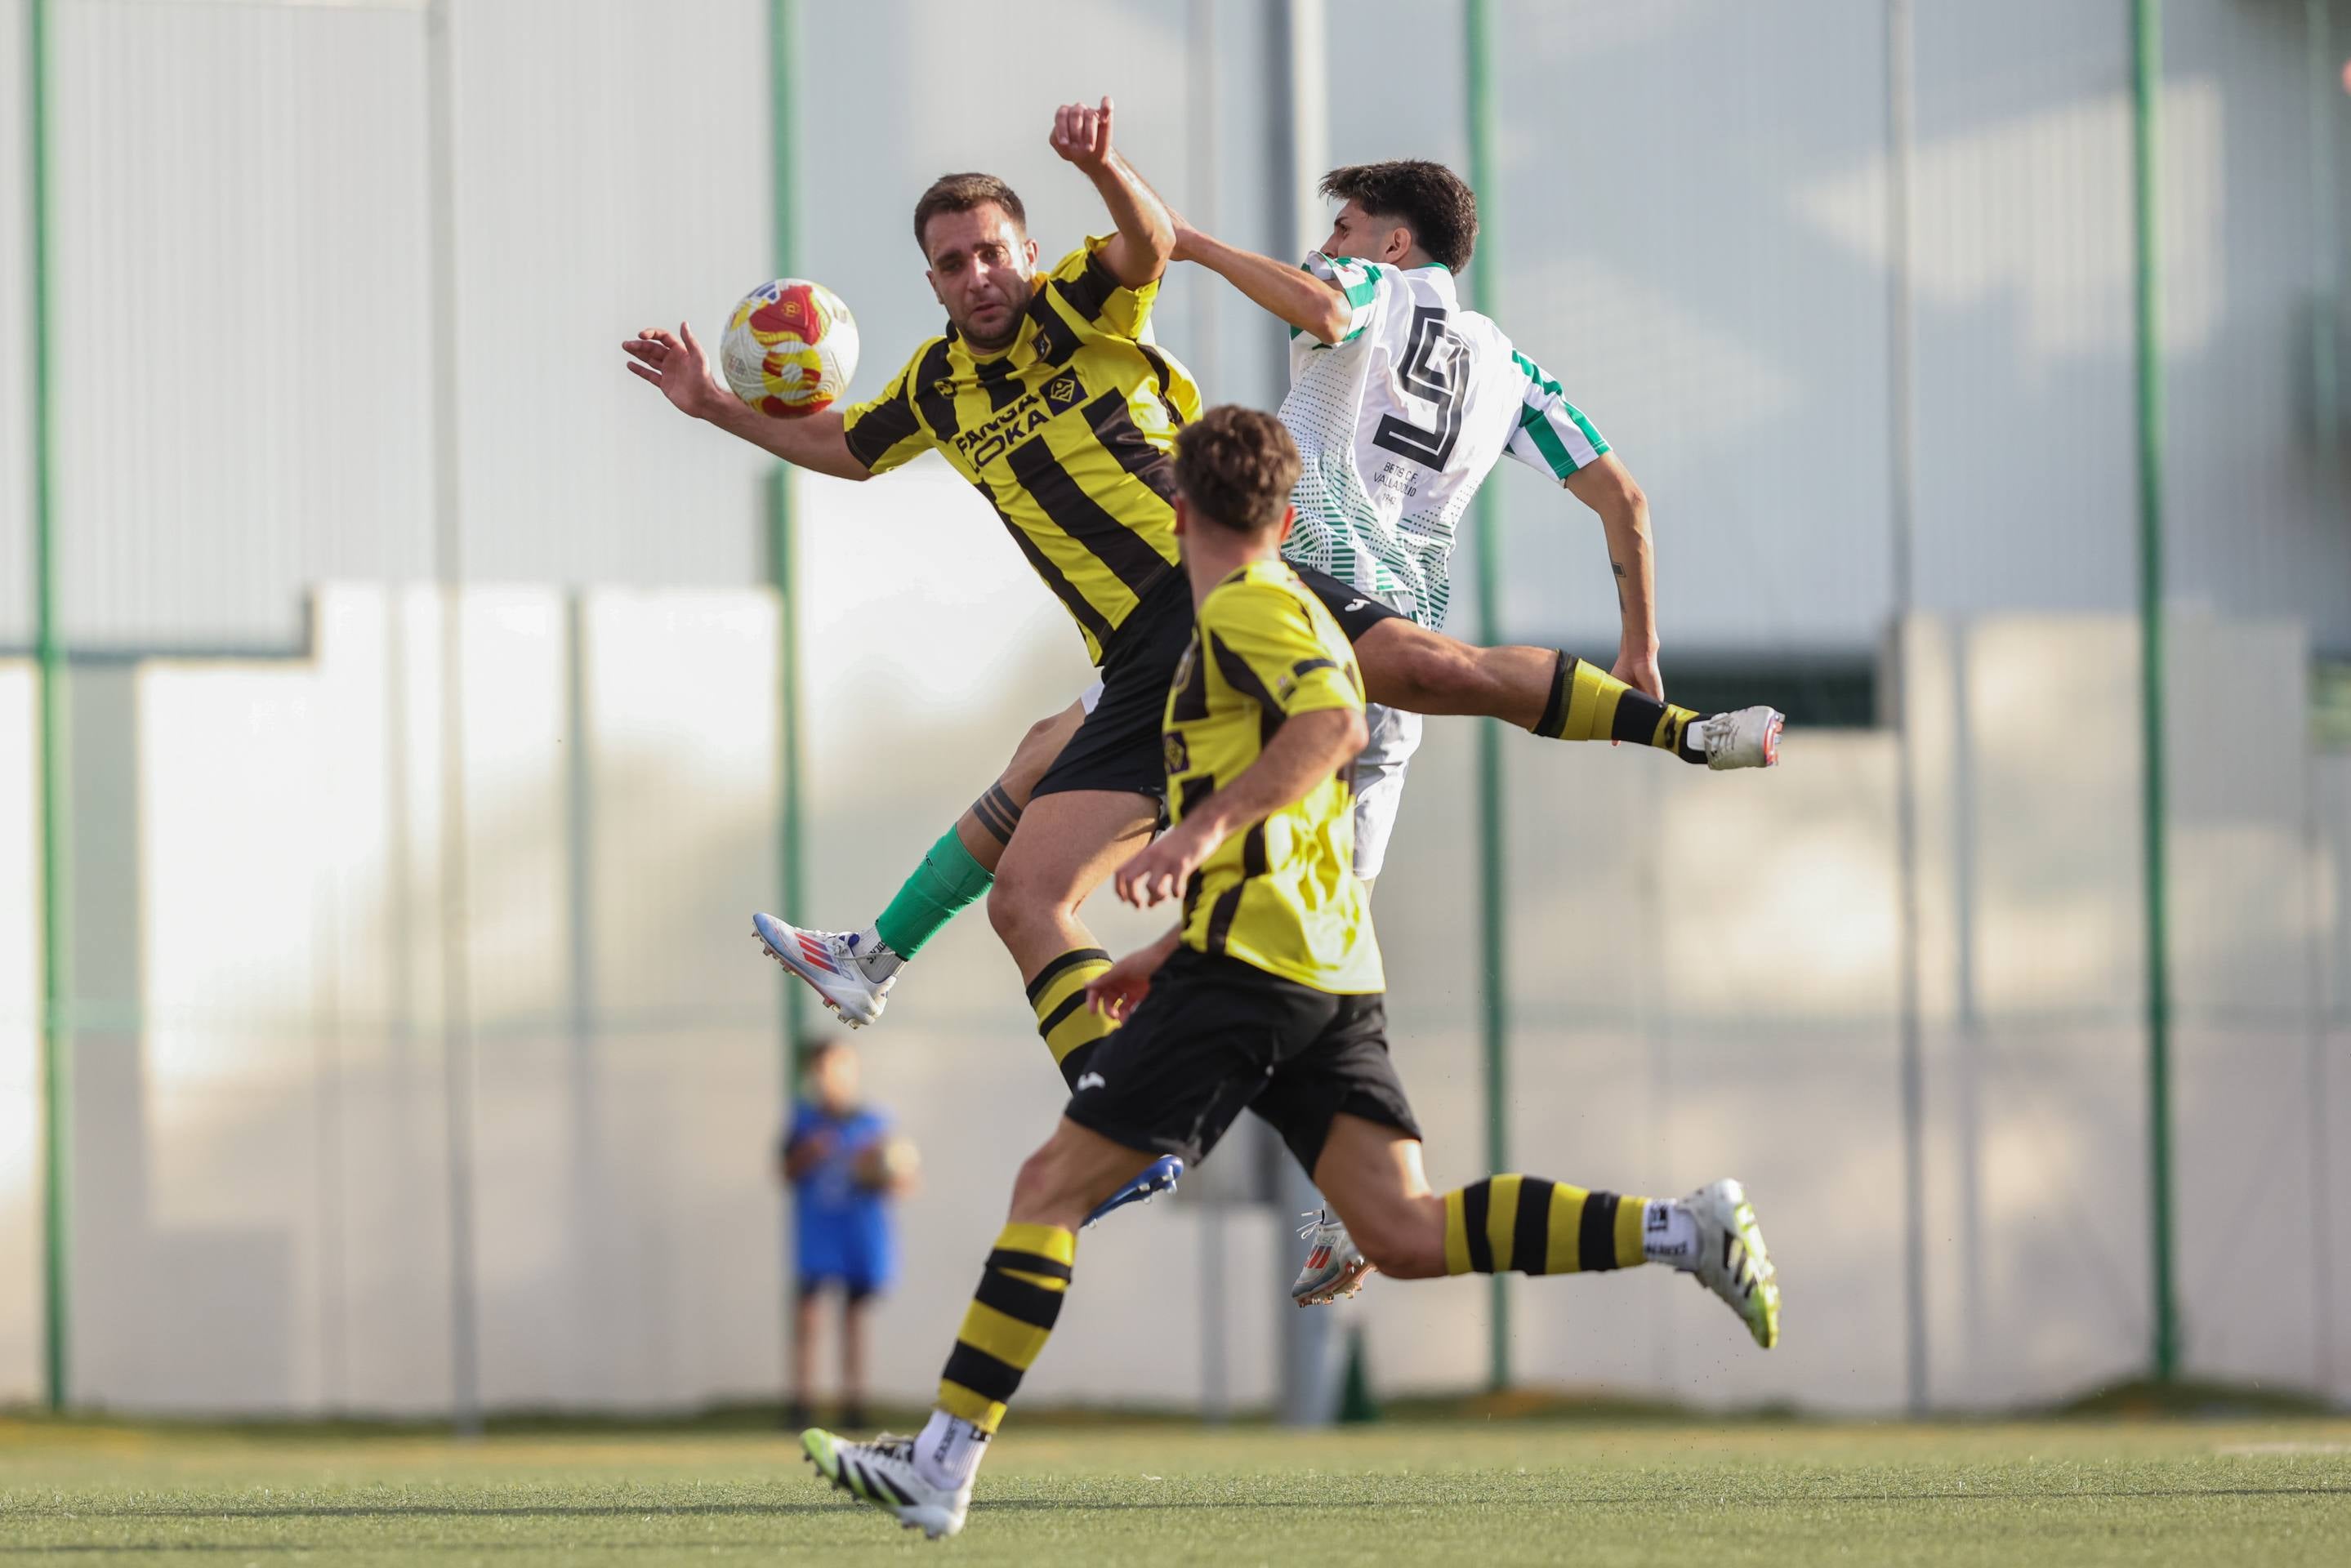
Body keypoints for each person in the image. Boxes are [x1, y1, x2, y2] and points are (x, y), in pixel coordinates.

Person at [622, 98, 1770, 1095]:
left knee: (1434, 673)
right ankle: (1111, 1100)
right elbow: (848, 447)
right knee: (1026, 893)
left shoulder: (1079, 301)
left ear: (1025, 251)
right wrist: (714, 406)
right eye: (952, 262)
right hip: (1138, 657)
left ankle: (1686, 732)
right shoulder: (932, 385)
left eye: (990, 252)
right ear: (928, 280)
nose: (977, 275)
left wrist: (1100, 170)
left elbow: (1149, 243)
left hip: (1224, 582)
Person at [796, 408, 1779, 1540]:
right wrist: (1165, 944)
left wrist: (1188, 838)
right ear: (1289, 512)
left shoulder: (1247, 614)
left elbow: (1331, 729)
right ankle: (1683, 1230)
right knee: (1400, 1232)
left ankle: (942, 1463)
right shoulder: (1268, 612)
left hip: (1253, 974)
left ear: (1176, 519)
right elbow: (1304, 802)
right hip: (1319, 964)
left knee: (1047, 1193)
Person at [781, 1039, 912, 1432]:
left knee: (854, 1319)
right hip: (818, 1235)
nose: (830, 1078)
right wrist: (810, 1153)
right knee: (808, 1318)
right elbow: (785, 1172)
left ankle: (853, 1402)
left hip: (858, 1236)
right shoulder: (804, 1122)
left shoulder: (873, 1124)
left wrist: (879, 1171)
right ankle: (801, 1404)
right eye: (822, 1070)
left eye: (838, 1068)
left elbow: (902, 1180)